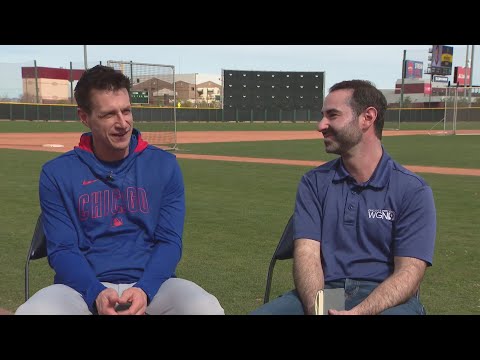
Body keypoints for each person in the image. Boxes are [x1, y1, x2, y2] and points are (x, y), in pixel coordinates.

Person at [16, 65, 224, 315]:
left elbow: (169, 241)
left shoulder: (164, 165)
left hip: (153, 285)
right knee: (34, 312)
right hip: (81, 289)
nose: (122, 123)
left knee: (205, 307)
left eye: (126, 111)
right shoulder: (56, 173)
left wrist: (145, 289)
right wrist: (96, 293)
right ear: (84, 117)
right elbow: (62, 249)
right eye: (108, 114)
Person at [251, 80, 436, 315]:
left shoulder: (413, 190)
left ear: (367, 117)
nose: (321, 125)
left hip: (385, 297)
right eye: (322, 116)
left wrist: (360, 312)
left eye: (333, 115)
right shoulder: (314, 182)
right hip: (327, 294)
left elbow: (409, 272)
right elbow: (307, 255)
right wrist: (321, 310)